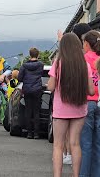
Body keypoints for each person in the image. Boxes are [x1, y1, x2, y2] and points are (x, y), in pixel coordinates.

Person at [48, 33, 94, 177]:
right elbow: (91, 91)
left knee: (58, 145)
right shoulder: (84, 65)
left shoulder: (58, 63)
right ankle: (76, 175)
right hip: (79, 109)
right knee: (75, 144)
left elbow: (50, 87)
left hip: (61, 110)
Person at [80, 30, 100, 177]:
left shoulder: (83, 59)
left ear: (86, 44)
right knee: (98, 144)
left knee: (85, 144)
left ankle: (84, 174)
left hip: (87, 102)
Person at [18, 47, 44, 139]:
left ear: (29, 55)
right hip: (37, 89)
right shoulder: (41, 65)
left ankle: (29, 132)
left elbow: (20, 78)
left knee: (28, 110)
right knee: (36, 111)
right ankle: (36, 133)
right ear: (38, 55)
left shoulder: (24, 66)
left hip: (27, 89)